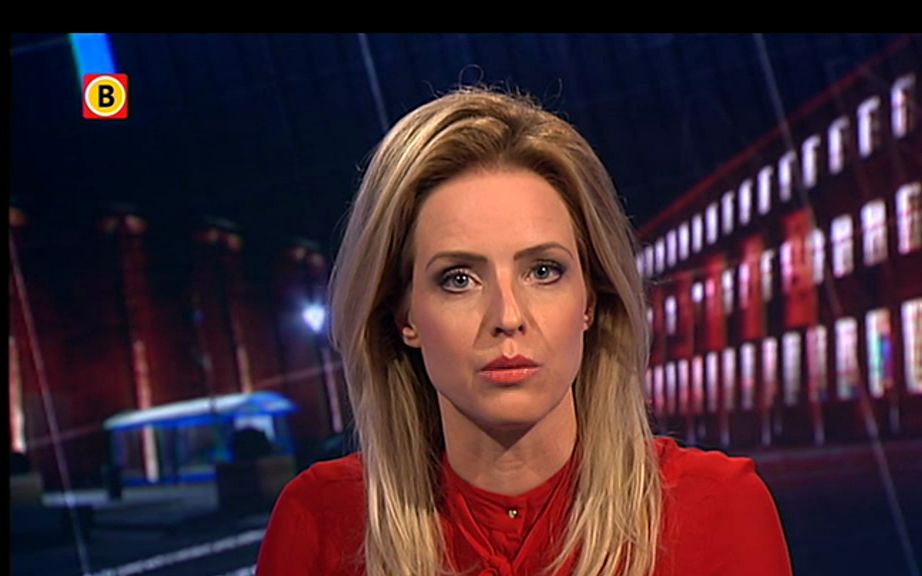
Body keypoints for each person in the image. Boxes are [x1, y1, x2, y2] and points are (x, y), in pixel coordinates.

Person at [256, 87, 792, 576]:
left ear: (590, 300)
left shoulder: (718, 508)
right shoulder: (319, 520)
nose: (508, 315)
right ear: (404, 317)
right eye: (459, 278)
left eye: (543, 271)